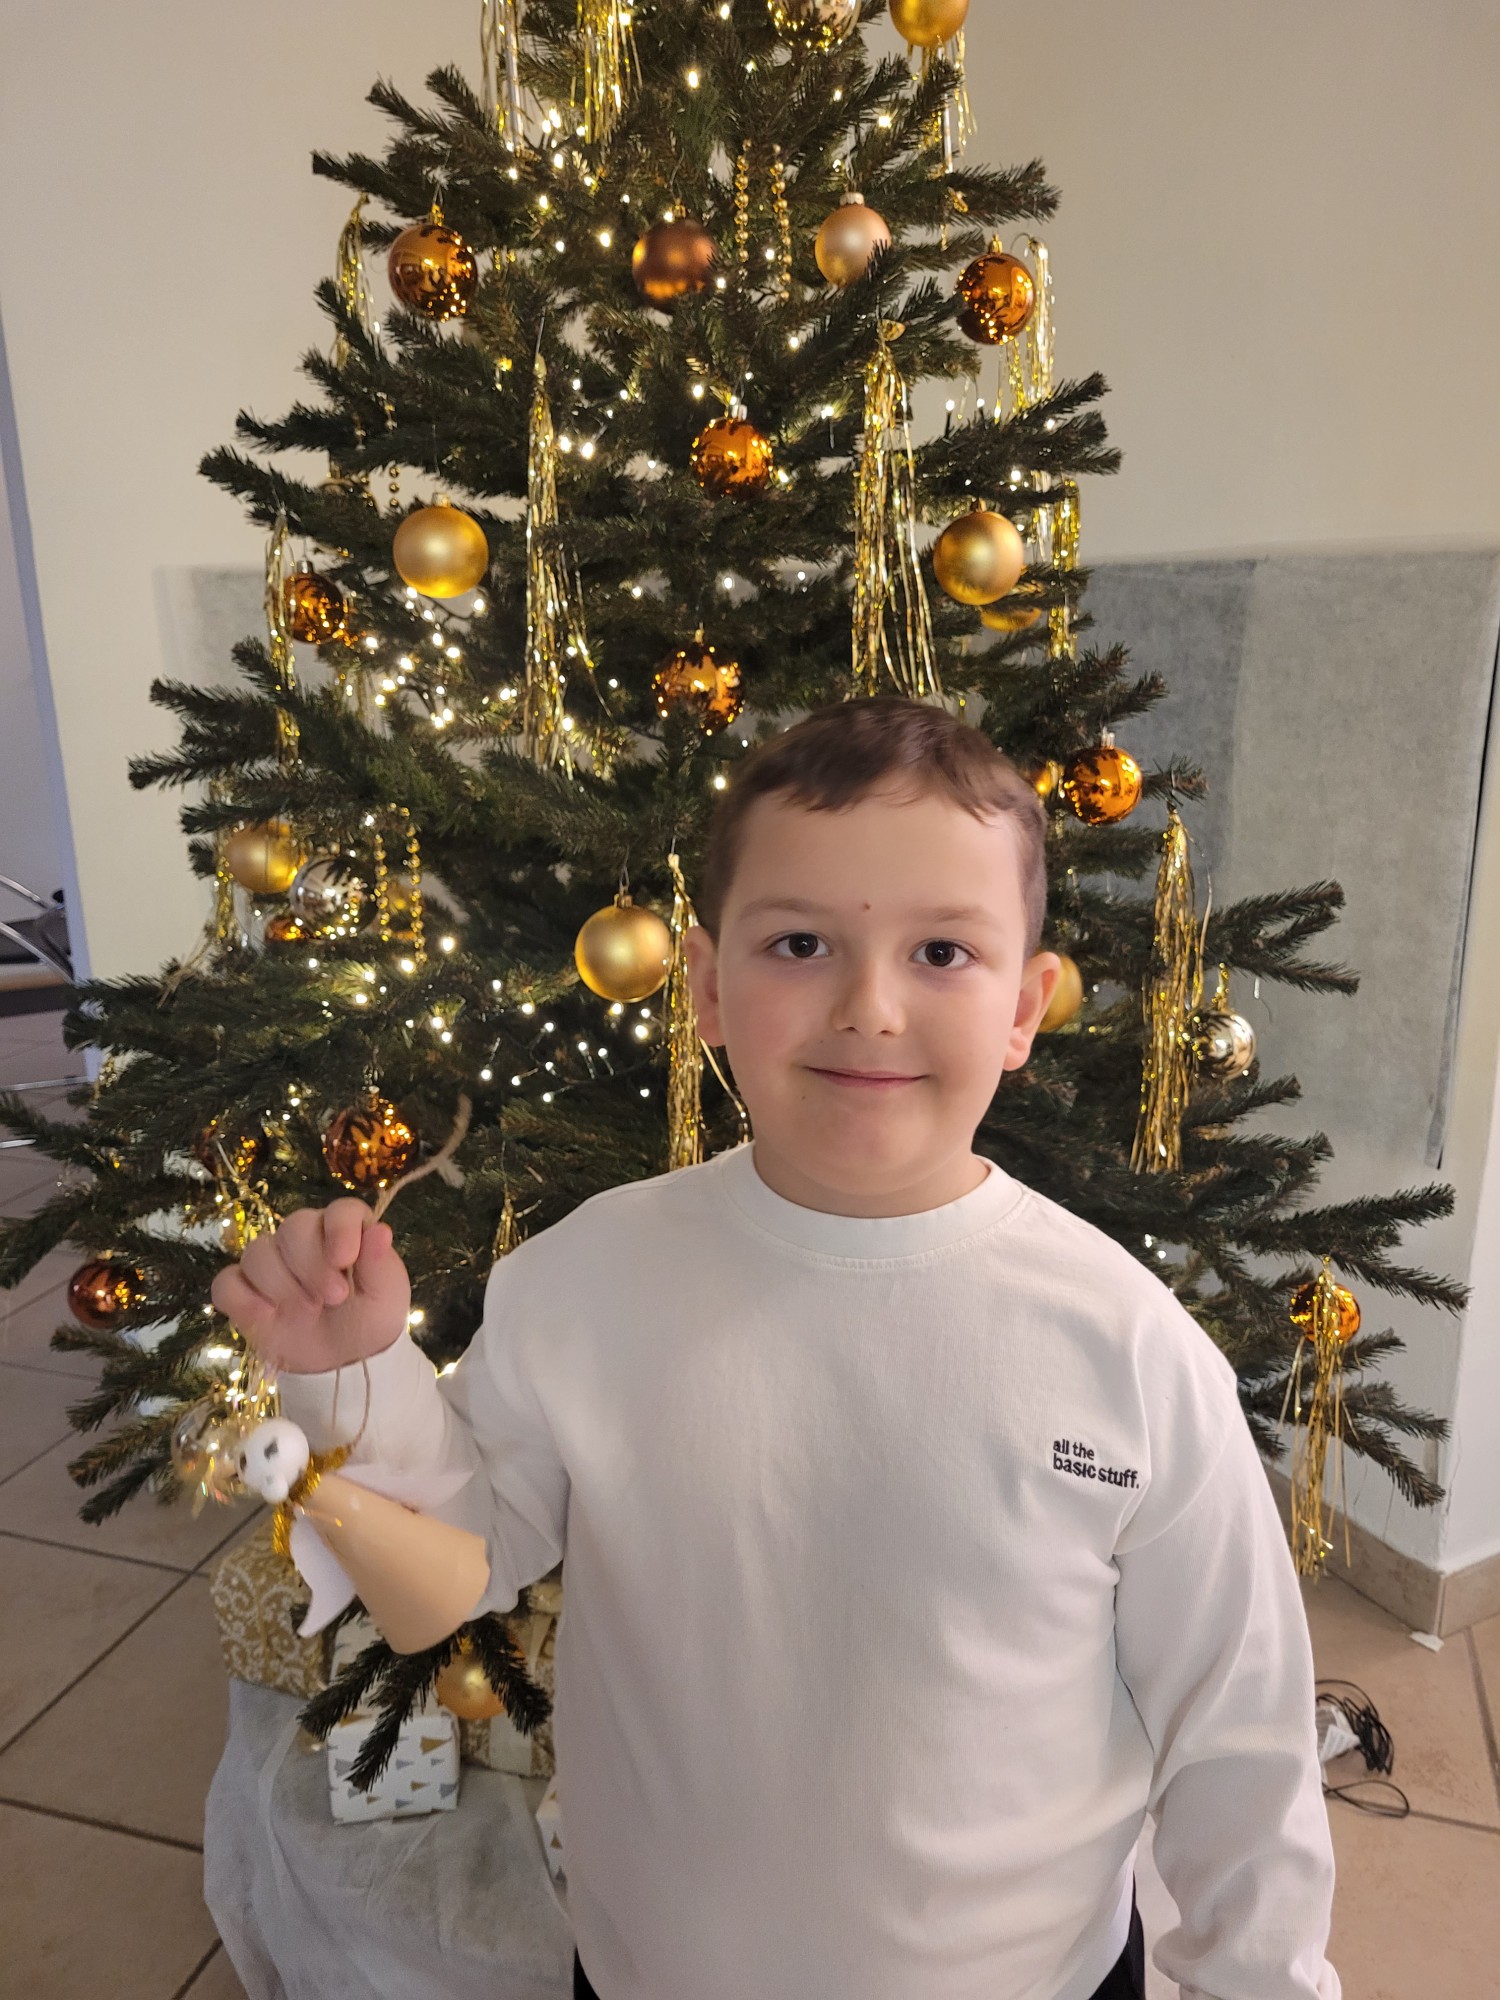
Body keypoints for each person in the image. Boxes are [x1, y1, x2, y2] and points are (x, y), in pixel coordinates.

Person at [213, 696, 1341, 2000]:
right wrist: (351, 1375)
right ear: (705, 986)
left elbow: (1238, 1733)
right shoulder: (583, 1281)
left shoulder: (1129, 1349)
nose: (871, 1007)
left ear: (1025, 1007)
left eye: (943, 952)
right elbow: (451, 1576)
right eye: (801, 943)